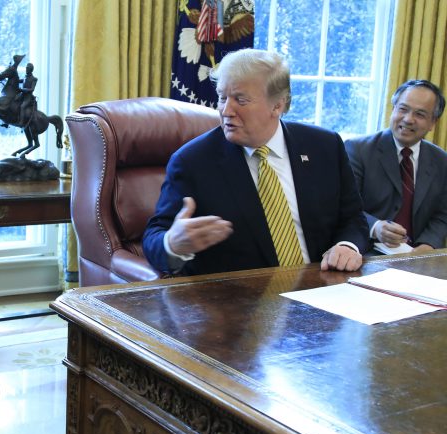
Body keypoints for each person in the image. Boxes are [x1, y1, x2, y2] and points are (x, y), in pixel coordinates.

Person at [143, 48, 369, 276]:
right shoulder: (192, 161)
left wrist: (347, 246)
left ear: (278, 105)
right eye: (222, 98)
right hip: (237, 301)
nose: (225, 110)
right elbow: (154, 238)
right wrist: (173, 244)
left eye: (240, 99)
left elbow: (352, 218)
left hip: (320, 288)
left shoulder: (324, 146)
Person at [345, 79, 447, 253]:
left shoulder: (441, 160)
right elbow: (346, 207)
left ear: (433, 123)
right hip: (365, 252)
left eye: (420, 114)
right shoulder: (357, 150)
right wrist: (376, 227)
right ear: (393, 110)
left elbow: (442, 215)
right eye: (403, 109)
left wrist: (427, 245)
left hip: (419, 255)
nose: (408, 119)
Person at [17, 62, 38, 127]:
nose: (26, 69)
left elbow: (32, 89)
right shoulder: (24, 77)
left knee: (22, 106)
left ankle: (21, 122)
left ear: (30, 69)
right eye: (26, 68)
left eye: (27, 68)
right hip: (22, 95)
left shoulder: (34, 79)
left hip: (28, 97)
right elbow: (18, 80)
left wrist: (23, 90)